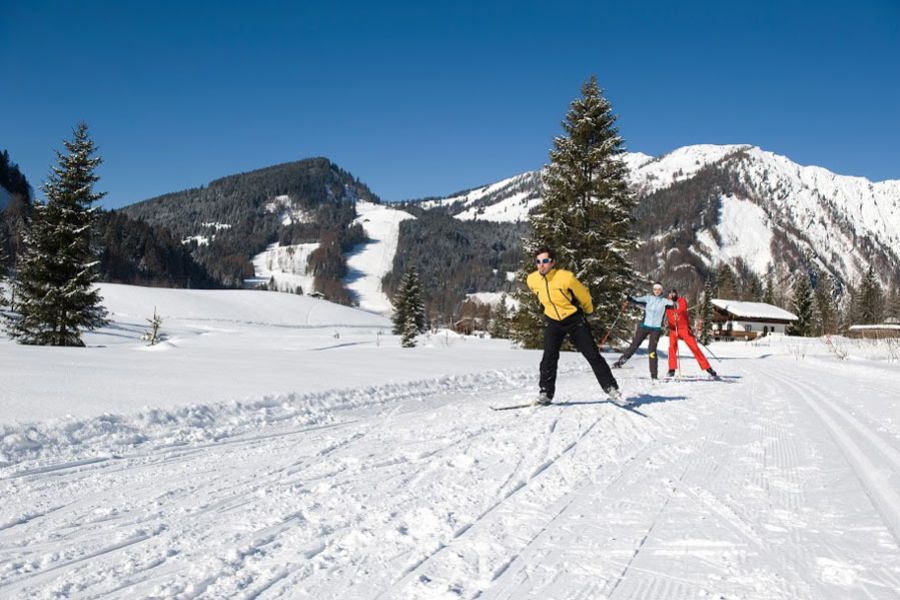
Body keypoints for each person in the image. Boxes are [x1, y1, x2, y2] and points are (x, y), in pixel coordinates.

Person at [526, 247, 623, 405]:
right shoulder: (532, 279)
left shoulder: (565, 277)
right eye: (538, 262)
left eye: (545, 261)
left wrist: (589, 310)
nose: (541, 265)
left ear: (552, 262)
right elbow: (539, 294)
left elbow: (583, 294)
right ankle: (545, 393)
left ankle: (611, 388)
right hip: (553, 321)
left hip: (573, 320)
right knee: (549, 357)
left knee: (592, 354)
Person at [613, 283, 674, 379]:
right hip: (644, 326)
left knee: (652, 351)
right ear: (653, 290)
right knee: (634, 345)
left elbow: (675, 305)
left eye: (659, 289)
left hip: (656, 329)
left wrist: (673, 299)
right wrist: (630, 298)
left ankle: (654, 375)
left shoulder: (664, 301)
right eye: (655, 289)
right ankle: (621, 361)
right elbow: (636, 300)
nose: (657, 291)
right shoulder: (648, 298)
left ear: (661, 291)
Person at [665, 289, 718, 378]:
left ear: (676, 293)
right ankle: (671, 369)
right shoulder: (666, 303)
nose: (672, 295)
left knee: (694, 347)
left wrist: (674, 306)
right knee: (672, 348)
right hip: (673, 329)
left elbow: (682, 309)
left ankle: (707, 367)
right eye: (670, 293)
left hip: (684, 328)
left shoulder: (681, 300)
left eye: (673, 293)